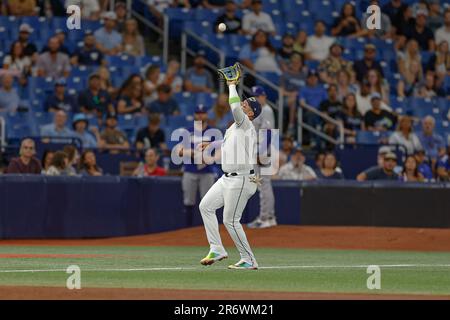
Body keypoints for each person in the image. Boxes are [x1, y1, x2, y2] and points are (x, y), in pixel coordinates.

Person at [196, 79, 263, 270]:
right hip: (227, 178)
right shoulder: (235, 126)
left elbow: (233, 106)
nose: (242, 104)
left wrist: (232, 84)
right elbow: (226, 144)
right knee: (206, 206)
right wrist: (212, 144)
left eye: (246, 105)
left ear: (250, 113)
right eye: (243, 102)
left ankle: (249, 259)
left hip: (241, 179)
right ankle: (217, 248)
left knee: (230, 220)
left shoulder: (245, 124)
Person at [177, 105, 218, 226]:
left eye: (203, 113)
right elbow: (178, 151)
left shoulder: (213, 132)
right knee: (188, 201)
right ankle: (187, 229)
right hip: (190, 169)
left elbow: (218, 153)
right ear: (194, 115)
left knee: (208, 203)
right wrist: (192, 153)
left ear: (206, 114)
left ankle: (208, 230)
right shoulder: (188, 131)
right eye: (198, 113)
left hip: (207, 170)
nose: (200, 115)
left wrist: (207, 157)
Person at [247, 86, 276, 229]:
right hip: (261, 149)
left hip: (263, 150)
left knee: (263, 185)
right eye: (254, 96)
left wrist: (260, 153)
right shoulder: (259, 110)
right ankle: (269, 216)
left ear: (264, 97)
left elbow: (269, 133)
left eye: (258, 96)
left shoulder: (266, 110)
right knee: (264, 184)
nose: (256, 99)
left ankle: (265, 217)